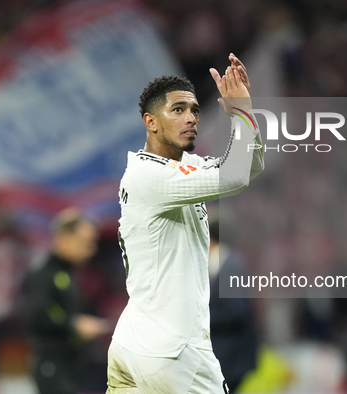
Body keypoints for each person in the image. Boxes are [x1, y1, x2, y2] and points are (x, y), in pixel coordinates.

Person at [106, 53, 264, 393]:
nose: (191, 117)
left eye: (194, 109)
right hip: (174, 351)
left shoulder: (178, 169)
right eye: (178, 110)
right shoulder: (152, 176)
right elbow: (235, 175)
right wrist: (241, 113)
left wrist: (245, 114)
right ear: (150, 121)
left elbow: (247, 168)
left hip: (134, 342)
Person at [24, 208, 111, 394]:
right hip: (52, 364)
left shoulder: (67, 273)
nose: (90, 250)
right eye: (84, 243)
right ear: (63, 238)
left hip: (70, 363)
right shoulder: (44, 273)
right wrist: (74, 325)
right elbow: (35, 315)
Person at [208, 219, 258, 393]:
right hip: (228, 355)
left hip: (232, 357)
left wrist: (203, 319)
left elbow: (237, 311)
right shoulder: (226, 264)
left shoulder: (231, 266)